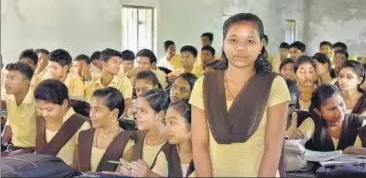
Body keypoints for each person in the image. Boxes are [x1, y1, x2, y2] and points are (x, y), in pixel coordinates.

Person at [190, 13, 290, 177]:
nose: (240, 48)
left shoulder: (274, 84)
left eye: (249, 41)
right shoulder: (204, 84)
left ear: (261, 45)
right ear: (223, 43)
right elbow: (199, 144)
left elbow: (273, 147)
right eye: (233, 40)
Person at [119, 99, 195, 177]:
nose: (166, 129)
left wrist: (149, 175)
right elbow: (158, 174)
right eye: (166, 122)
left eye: (172, 122)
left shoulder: (205, 154)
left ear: (192, 124)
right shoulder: (168, 150)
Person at [288, 84, 366, 155]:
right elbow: (294, 144)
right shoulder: (312, 122)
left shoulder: (359, 122)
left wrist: (350, 150)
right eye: (332, 109)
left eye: (341, 104)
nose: (340, 112)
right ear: (318, 112)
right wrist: (298, 137)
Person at [34, 79, 90, 167]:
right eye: (41, 109)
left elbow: (78, 164)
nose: (44, 114)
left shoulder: (81, 125)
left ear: (64, 103)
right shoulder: (40, 120)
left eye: (49, 109)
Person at [77, 87, 135, 172]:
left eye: (97, 109)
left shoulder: (127, 142)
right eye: (91, 109)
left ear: (114, 113)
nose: (91, 114)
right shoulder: (84, 136)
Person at [120, 89, 169, 170]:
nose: (136, 115)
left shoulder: (172, 144)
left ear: (160, 115)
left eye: (142, 111)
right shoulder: (136, 137)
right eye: (137, 110)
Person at [1, 62, 38, 156]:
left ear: (26, 82)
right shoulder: (10, 100)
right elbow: (6, 117)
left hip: (32, 151)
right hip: (13, 148)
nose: (6, 81)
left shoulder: (38, 102)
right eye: (6, 77)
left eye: (12, 78)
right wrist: (7, 124)